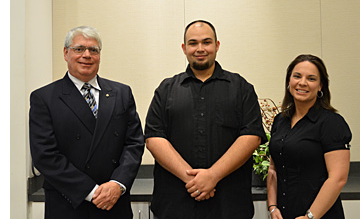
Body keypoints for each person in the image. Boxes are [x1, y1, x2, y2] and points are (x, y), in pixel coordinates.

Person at [145, 20, 267, 219]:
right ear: (184, 48)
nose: (200, 48)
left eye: (206, 42)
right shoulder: (166, 89)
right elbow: (153, 138)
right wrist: (195, 181)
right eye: (193, 43)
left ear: (217, 45)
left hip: (229, 206)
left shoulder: (241, 87)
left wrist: (213, 176)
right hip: (175, 206)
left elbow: (251, 136)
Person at [29, 26, 145, 219]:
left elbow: (134, 143)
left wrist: (118, 184)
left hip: (115, 203)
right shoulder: (45, 98)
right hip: (68, 205)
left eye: (93, 50)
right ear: (66, 53)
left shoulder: (122, 93)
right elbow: (45, 155)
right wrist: (92, 192)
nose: (87, 55)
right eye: (79, 49)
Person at [267, 54, 352, 219]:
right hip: (284, 214)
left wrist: (310, 216)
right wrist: (272, 207)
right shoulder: (280, 120)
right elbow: (273, 169)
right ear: (288, 82)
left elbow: (338, 178)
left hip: (319, 215)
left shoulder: (332, 123)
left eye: (311, 78)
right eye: (297, 76)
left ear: (321, 86)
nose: (302, 83)